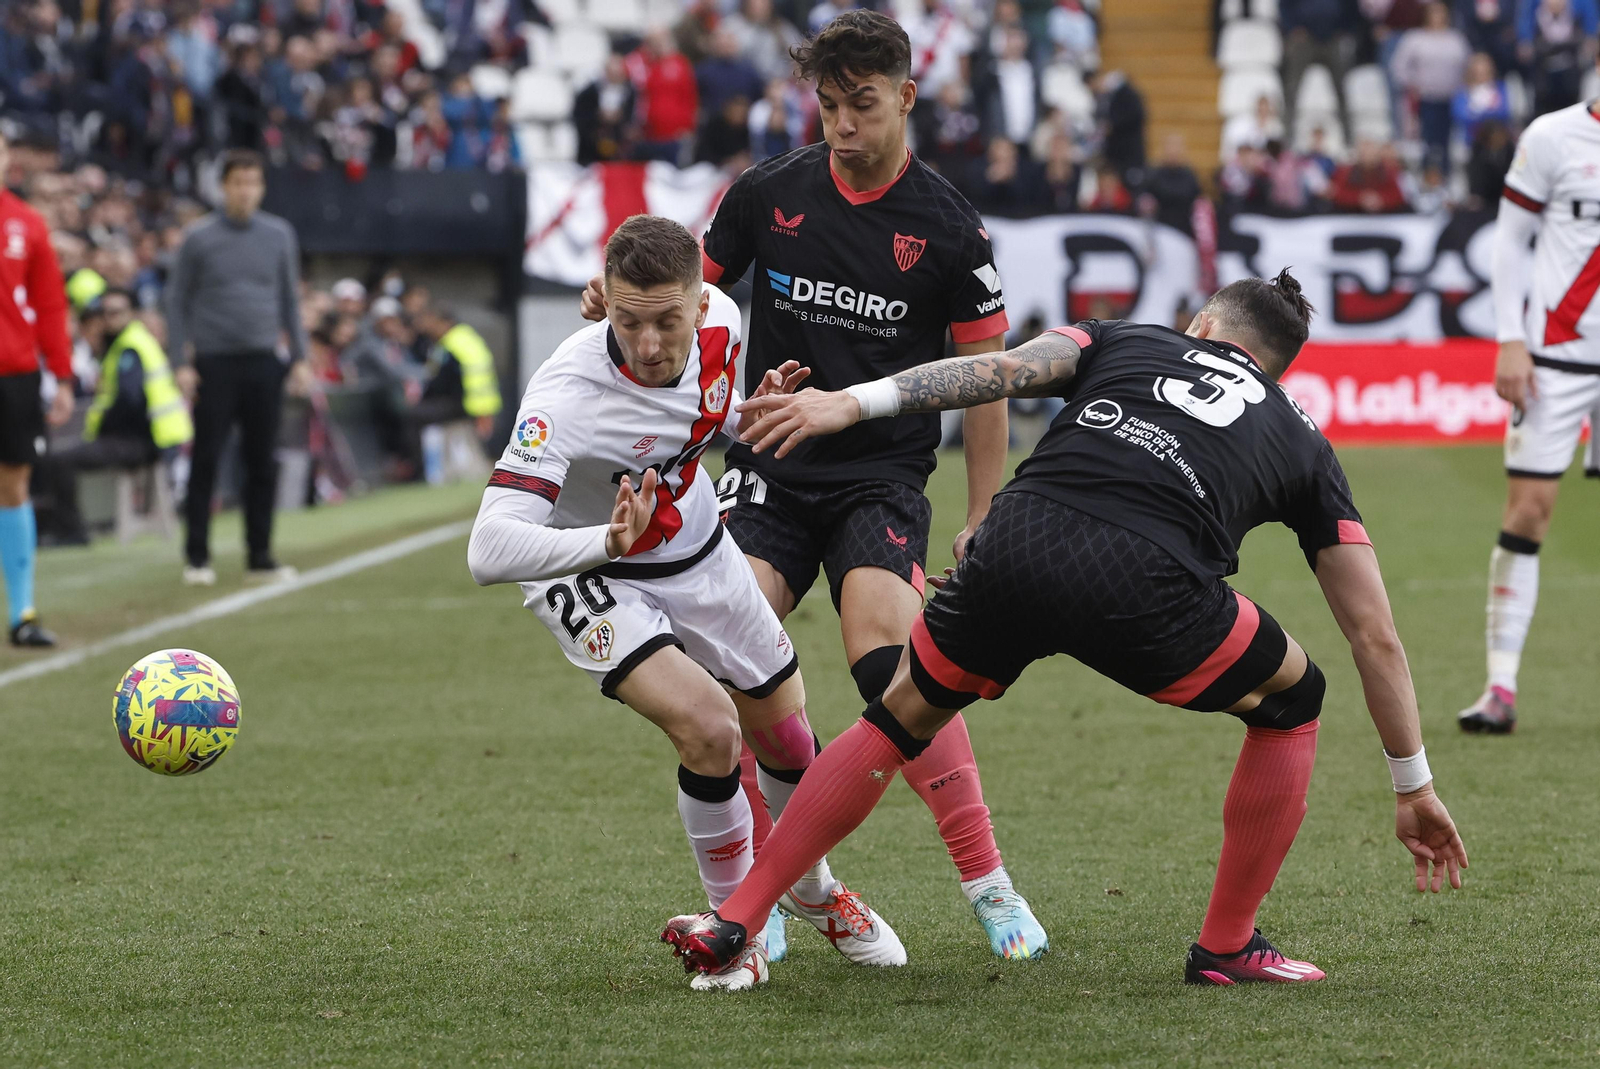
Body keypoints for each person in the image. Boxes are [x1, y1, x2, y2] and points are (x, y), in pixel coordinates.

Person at [662, 270, 1471, 986]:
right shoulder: (1304, 438)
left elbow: (997, 372)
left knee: (896, 716)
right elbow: (1375, 634)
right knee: (1296, 696)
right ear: (1271, 364)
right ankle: (1226, 946)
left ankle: (738, 915)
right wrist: (1414, 786)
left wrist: (853, 400)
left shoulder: (1128, 337)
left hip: (1019, 537)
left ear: (1202, 326)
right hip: (1145, 582)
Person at [579, 10, 1050, 962]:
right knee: (732, 653)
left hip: (881, 476)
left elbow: (988, 385)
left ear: (907, 99)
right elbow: (690, 293)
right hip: (769, 467)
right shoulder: (771, 193)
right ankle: (767, 887)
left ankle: (987, 879)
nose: (842, 124)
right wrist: (624, 303)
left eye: (862, 105)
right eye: (828, 105)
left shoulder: (952, 231)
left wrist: (984, 514)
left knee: (891, 657)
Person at [468, 215, 902, 991]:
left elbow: (694, 412)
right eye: (629, 321)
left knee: (788, 734)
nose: (648, 343)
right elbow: (489, 548)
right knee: (708, 727)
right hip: (589, 566)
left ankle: (809, 888)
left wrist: (746, 414)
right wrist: (603, 539)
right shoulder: (566, 393)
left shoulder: (727, 324)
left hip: (696, 547)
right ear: (607, 307)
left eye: (668, 320)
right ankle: (734, 933)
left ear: (702, 305)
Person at [1465, 90, 1600, 732]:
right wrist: (1509, 339)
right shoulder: (1552, 137)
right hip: (1555, 358)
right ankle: (1500, 687)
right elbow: (1510, 241)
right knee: (1528, 512)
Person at [165, 149, 307, 587]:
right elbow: (175, 302)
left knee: (261, 460)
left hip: (265, 360)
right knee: (206, 459)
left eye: (253, 182)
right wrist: (179, 361)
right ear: (223, 186)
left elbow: (289, 299)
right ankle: (197, 556)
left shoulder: (279, 234)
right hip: (214, 362)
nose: (246, 191)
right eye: (238, 182)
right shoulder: (198, 237)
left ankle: (260, 554)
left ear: (261, 187)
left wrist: (299, 357)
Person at [36, 289, 194, 545]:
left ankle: (72, 531)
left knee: (59, 460)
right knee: (59, 456)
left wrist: (106, 424)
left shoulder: (129, 347)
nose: (109, 319)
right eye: (105, 313)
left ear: (131, 313)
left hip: (140, 440)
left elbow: (129, 400)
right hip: (150, 438)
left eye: (116, 312)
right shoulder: (125, 344)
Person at [0, 128, 73, 647]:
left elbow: (49, 304)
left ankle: (21, 613)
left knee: (13, 485)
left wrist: (63, 375)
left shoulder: (25, 223)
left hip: (15, 374)